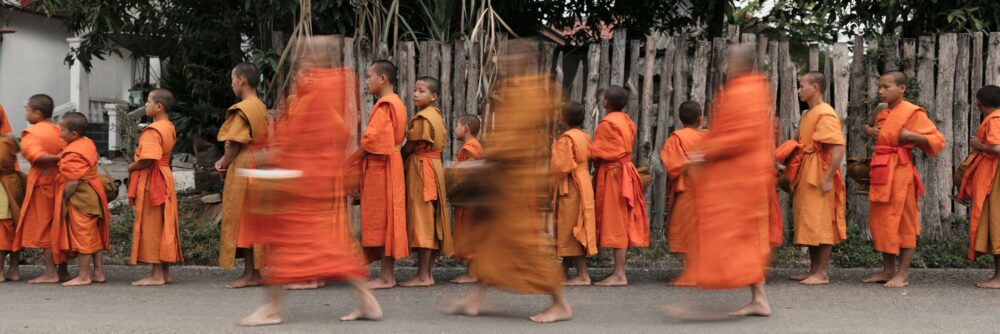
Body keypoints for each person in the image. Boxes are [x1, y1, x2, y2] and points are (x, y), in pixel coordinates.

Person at [238, 39, 381, 325]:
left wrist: (279, 157)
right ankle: (368, 301)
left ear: (320, 57)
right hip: (311, 177)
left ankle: (271, 309)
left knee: (288, 246)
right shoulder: (326, 88)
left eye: (309, 53)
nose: (304, 61)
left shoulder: (325, 90)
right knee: (328, 247)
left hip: (307, 180)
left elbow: (325, 135)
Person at [445, 39, 571, 323]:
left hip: (516, 179)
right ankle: (475, 298)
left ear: (522, 61)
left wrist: (487, 159)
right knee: (490, 240)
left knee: (524, 243)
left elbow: (515, 140)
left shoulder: (534, 91)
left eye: (508, 59)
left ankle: (559, 302)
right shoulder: (512, 90)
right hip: (501, 179)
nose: (503, 64)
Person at [674, 45, 774, 317]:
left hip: (738, 178)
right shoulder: (749, 90)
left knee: (730, 237)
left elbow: (742, 136)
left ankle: (755, 299)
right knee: (737, 238)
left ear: (739, 64)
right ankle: (759, 299)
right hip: (735, 175)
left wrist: (705, 152)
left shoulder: (745, 92)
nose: (725, 66)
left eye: (729, 61)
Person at [863, 70, 945, 288]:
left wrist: (911, 136)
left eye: (886, 87)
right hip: (881, 169)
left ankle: (903, 273)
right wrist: (871, 132)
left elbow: (937, 140)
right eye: (879, 87)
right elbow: (869, 126)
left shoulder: (912, 112)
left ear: (902, 88)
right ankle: (887, 270)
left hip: (901, 173)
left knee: (904, 220)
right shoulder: (882, 110)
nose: (881, 91)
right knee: (882, 220)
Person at [349, 60, 408, 289]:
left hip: (381, 167)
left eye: (369, 75)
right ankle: (386, 274)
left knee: (383, 220)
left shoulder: (385, 105)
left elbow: (371, 143)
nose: (366, 80)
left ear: (382, 78)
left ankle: (386, 276)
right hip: (388, 164)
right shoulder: (397, 103)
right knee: (386, 219)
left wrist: (348, 161)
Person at [788, 72, 847, 285]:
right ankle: (813, 269)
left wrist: (829, 176)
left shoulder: (826, 113)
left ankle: (822, 272)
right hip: (806, 169)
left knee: (821, 220)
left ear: (814, 88)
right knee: (809, 220)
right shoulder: (807, 115)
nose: (798, 90)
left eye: (801, 85)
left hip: (820, 172)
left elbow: (838, 147)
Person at [217, 63, 271, 288]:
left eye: (232, 79)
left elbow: (236, 142)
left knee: (243, 221)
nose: (231, 84)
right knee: (253, 221)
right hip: (259, 166)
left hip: (244, 168)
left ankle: (250, 274)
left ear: (241, 80)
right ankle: (256, 273)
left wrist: (223, 164)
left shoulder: (244, 108)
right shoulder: (259, 106)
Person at [590, 85, 648, 287]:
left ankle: (619, 274)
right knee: (621, 219)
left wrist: (588, 150)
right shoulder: (626, 121)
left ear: (605, 102)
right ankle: (618, 272)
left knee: (617, 221)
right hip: (624, 171)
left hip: (615, 175)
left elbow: (599, 151)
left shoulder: (608, 123)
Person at [400, 76, 453, 287]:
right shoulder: (436, 115)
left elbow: (409, 148)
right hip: (433, 167)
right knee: (430, 219)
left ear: (434, 96)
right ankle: (426, 274)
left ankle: (424, 276)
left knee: (422, 220)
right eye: (415, 90)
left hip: (421, 169)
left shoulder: (423, 118)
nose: (415, 94)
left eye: (421, 91)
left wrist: (397, 157)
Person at [127, 88, 183, 286]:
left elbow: (149, 158)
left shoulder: (154, 129)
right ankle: (164, 272)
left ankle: (157, 274)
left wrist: (132, 166)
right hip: (164, 175)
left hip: (153, 179)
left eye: (148, 102)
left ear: (159, 107)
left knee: (152, 224)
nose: (145, 105)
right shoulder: (168, 126)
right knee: (163, 221)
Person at [12, 94, 68, 284]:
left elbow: (35, 157)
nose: (26, 114)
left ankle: (51, 272)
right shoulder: (61, 129)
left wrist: (58, 157)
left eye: (28, 110)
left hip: (43, 181)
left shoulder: (32, 133)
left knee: (45, 226)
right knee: (61, 223)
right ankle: (63, 271)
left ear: (37, 112)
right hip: (63, 179)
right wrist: (62, 157)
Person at [49, 112, 110, 286]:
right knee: (93, 234)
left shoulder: (73, 153)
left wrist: (64, 198)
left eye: (62, 130)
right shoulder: (87, 143)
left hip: (81, 198)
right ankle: (98, 272)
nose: (59, 133)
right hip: (93, 193)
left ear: (73, 134)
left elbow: (72, 182)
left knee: (83, 235)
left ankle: (84, 275)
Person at [956, 85, 1000, 289]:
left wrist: (979, 146)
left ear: (979, 103)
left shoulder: (995, 119)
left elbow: (998, 148)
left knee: (996, 224)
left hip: (995, 178)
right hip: (992, 176)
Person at [659, 101, 707, 286]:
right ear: (700, 119)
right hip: (708, 189)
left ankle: (691, 273)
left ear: (680, 119)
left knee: (687, 229)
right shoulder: (708, 137)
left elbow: (671, 165)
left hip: (688, 189)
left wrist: (688, 162)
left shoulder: (677, 138)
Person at [550, 101, 597, 286]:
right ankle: (563, 271)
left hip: (571, 185)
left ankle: (583, 274)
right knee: (575, 224)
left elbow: (561, 167)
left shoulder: (566, 139)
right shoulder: (585, 136)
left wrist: (555, 149)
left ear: (563, 118)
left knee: (571, 227)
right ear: (583, 118)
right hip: (583, 182)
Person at [449, 114, 483, 284]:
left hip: (469, 198)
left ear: (466, 129)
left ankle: (472, 273)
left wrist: (454, 169)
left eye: (457, 125)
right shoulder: (473, 145)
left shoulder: (470, 147)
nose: (454, 129)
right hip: (471, 197)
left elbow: (469, 171)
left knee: (469, 233)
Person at [0, 114, 24, 282]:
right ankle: (14, 269)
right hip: (13, 184)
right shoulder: (9, 141)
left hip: (2, 190)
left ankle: (0, 271)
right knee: (15, 228)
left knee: (2, 231)